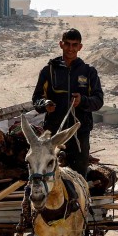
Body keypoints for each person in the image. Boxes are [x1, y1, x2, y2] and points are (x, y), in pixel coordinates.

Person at [31, 28, 104, 178]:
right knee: (48, 176)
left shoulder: (89, 72)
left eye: (74, 45)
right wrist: (45, 104)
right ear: (61, 44)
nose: (70, 48)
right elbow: (36, 99)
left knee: (78, 177)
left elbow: (98, 101)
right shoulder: (48, 71)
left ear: (80, 47)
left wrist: (82, 100)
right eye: (67, 44)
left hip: (79, 134)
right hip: (53, 134)